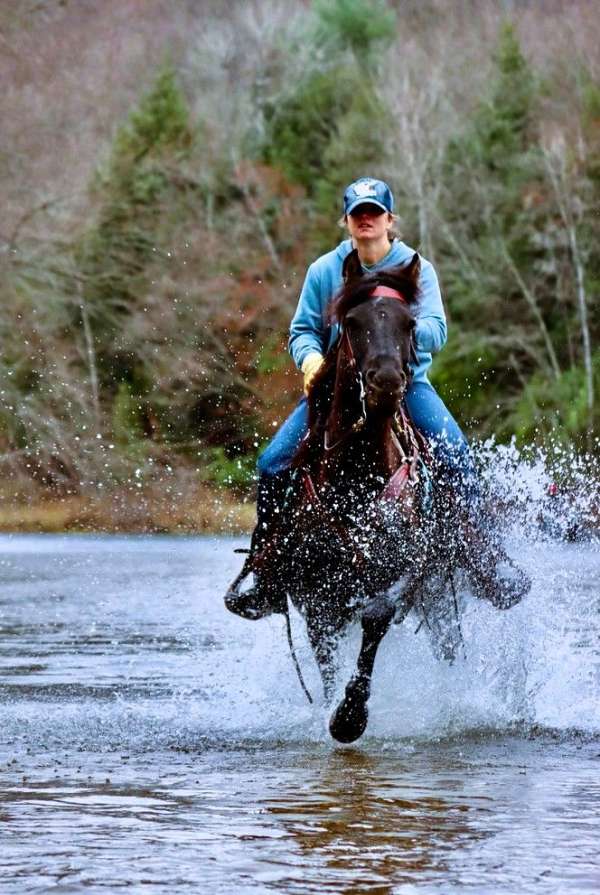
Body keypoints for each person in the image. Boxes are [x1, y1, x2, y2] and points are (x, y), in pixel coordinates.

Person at [225, 177, 529, 620]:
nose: (365, 220)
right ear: (347, 221)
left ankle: (487, 559)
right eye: (357, 213)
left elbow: (437, 331)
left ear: (390, 219)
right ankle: (265, 574)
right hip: (336, 392)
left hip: (406, 387)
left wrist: (393, 330)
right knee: (271, 462)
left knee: (455, 451)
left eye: (374, 212)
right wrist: (311, 363)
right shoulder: (324, 271)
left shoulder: (416, 268)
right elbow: (302, 332)